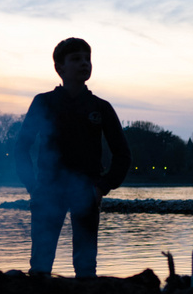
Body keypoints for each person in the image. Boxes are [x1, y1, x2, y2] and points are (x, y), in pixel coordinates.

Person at [14, 37, 130, 276]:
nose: (84, 63)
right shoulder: (44, 102)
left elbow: (123, 154)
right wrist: (33, 186)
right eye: (76, 59)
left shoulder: (100, 107)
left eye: (88, 59)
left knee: (86, 267)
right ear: (60, 68)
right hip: (48, 191)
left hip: (86, 192)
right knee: (40, 265)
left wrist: (102, 187)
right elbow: (21, 148)